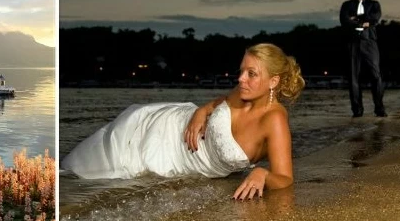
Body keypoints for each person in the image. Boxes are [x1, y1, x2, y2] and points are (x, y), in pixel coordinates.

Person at [61, 43, 304, 200]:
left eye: (251, 74)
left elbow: (285, 178)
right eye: (241, 71)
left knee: (114, 180)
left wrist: (263, 174)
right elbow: (217, 104)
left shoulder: (274, 119)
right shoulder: (243, 91)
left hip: (184, 164)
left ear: (273, 81)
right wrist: (201, 111)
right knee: (88, 164)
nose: (241, 79)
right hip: (166, 128)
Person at [339, 0, 386, 118]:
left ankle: (379, 109)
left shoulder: (374, 4)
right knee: (353, 77)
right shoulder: (346, 5)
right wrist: (363, 21)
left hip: (369, 42)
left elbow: (374, 19)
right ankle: (357, 111)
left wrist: (356, 19)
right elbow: (344, 21)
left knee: (376, 75)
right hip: (353, 43)